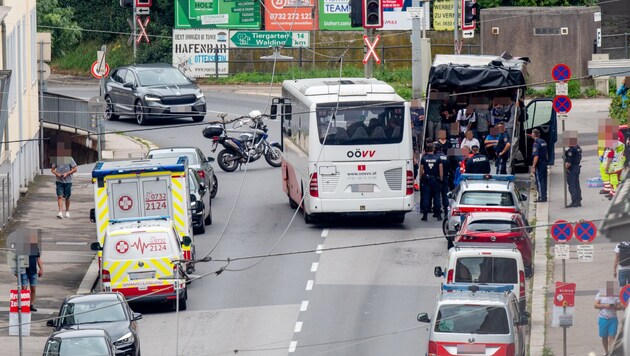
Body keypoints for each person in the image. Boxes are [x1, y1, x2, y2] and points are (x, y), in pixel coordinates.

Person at [594, 281, 623, 356]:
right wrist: (604, 306)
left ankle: (612, 352)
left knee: (612, 336)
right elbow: (595, 305)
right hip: (603, 318)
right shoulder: (601, 294)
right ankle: (606, 351)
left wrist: (615, 307)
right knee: (604, 337)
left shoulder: (616, 295)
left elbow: (620, 307)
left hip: (613, 319)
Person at [51, 148, 78, 219]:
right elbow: (52, 169)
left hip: (68, 181)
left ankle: (67, 211)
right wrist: (58, 174)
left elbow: (75, 169)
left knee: (67, 197)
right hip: (59, 180)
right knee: (60, 196)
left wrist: (67, 173)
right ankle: (60, 212)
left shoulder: (69, 159)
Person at [420, 143, 443, 222]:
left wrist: (421, 178)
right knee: (437, 197)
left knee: (426, 197)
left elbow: (421, 170)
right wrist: (441, 179)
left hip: (427, 179)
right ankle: (438, 215)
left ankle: (425, 215)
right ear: (433, 149)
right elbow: (440, 170)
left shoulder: (424, 158)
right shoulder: (438, 158)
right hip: (435, 180)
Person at [531, 129, 549, 202]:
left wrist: (533, 166)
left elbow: (536, 156)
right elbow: (546, 153)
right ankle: (544, 195)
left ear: (534, 134)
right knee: (544, 180)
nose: (531, 134)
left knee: (539, 181)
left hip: (539, 164)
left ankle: (541, 197)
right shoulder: (543, 141)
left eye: (532, 133)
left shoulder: (536, 143)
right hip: (544, 163)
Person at [565, 137, 582, 207]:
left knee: (572, 185)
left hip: (572, 169)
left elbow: (568, 163)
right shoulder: (578, 147)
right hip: (577, 167)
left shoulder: (571, 150)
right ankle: (578, 200)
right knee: (577, 184)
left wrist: (565, 168)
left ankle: (574, 201)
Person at [434, 142, 450, 217]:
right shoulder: (446, 157)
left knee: (437, 195)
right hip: (445, 177)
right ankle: (446, 211)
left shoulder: (435, 157)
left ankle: (437, 212)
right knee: (445, 195)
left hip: (437, 178)